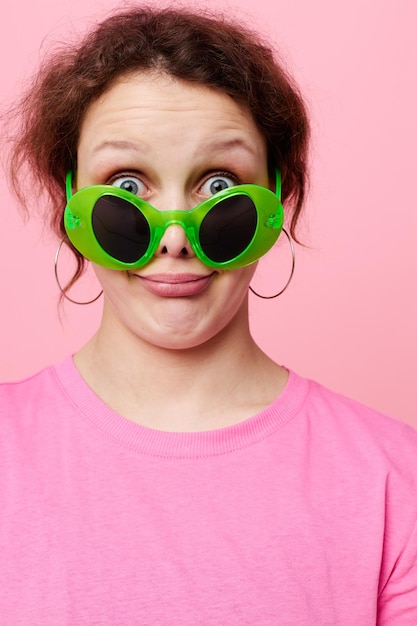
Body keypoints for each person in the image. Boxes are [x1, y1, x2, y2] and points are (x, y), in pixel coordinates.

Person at [0, 6, 416, 624]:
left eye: (219, 184)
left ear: (279, 198)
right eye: (127, 185)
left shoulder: (395, 480)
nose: (175, 238)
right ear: (71, 207)